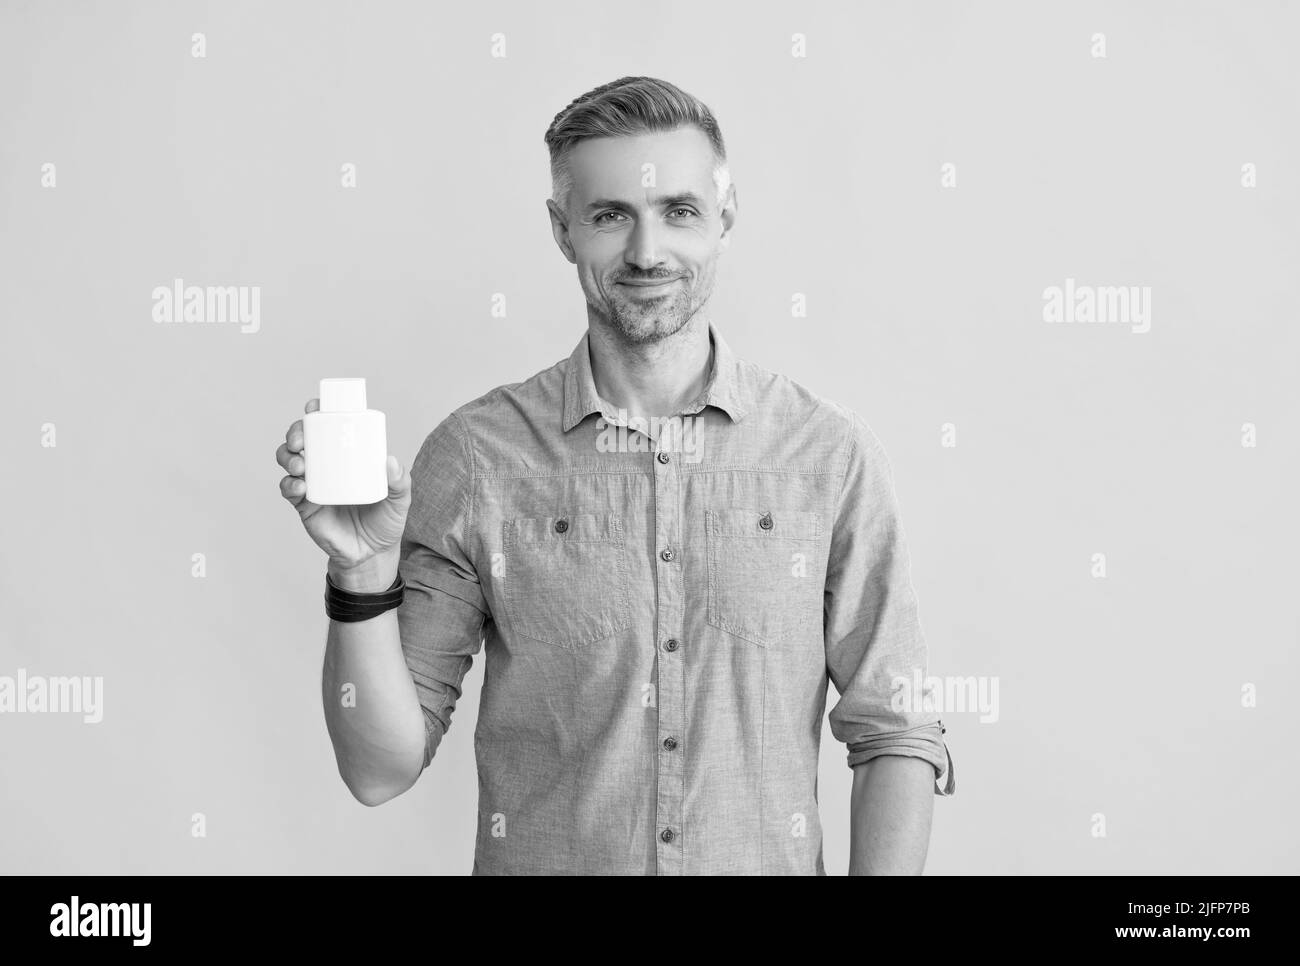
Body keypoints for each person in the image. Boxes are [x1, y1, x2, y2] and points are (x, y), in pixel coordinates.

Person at [275, 76, 954, 876]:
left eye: (679, 211)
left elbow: (895, 732)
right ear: (563, 231)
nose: (645, 252)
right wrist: (360, 573)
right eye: (610, 216)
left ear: (725, 217)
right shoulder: (476, 457)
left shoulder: (828, 458)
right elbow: (378, 767)